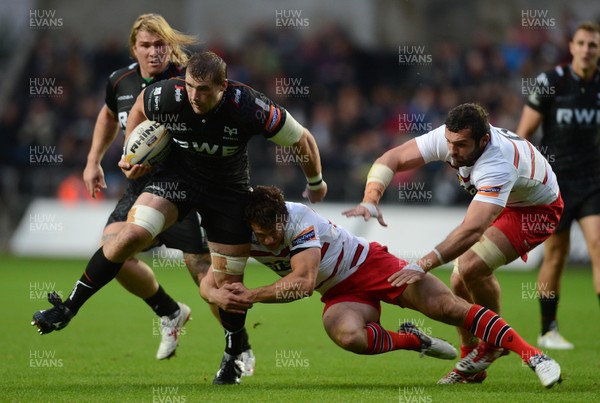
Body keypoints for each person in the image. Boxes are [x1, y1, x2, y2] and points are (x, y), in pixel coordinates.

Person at [33, 50, 327, 385]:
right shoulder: (169, 94)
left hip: (227, 191)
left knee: (228, 285)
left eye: (204, 90)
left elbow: (302, 138)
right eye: (190, 87)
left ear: (223, 87)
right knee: (127, 236)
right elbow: (141, 104)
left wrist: (316, 182)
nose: (194, 96)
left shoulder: (248, 106)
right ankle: (68, 307)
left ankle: (233, 353)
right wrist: (132, 148)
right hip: (177, 179)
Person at [201, 185, 562, 388]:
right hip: (341, 293)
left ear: (284, 218)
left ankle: (533, 354)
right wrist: (216, 294)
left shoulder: (298, 218)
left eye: (274, 232)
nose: (270, 239)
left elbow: (303, 282)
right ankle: (413, 340)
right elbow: (206, 275)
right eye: (262, 235)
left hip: (373, 265)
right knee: (347, 336)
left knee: (449, 308)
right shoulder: (235, 233)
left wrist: (250, 296)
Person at [343, 103, 563, 384]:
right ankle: (473, 360)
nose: (452, 151)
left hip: (535, 210)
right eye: (449, 142)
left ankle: (492, 346)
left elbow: (472, 229)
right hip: (508, 200)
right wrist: (371, 198)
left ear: (483, 141)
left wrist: (424, 264)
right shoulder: (450, 138)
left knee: (470, 267)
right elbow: (393, 158)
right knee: (458, 282)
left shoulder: (498, 163)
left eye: (460, 145)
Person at [516, 21, 600, 350]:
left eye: (593, 45)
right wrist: (523, 178)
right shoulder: (551, 82)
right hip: (556, 182)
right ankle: (547, 328)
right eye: (582, 43)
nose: (587, 49)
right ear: (572, 46)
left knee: (597, 244)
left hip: (594, 181)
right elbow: (523, 135)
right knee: (556, 255)